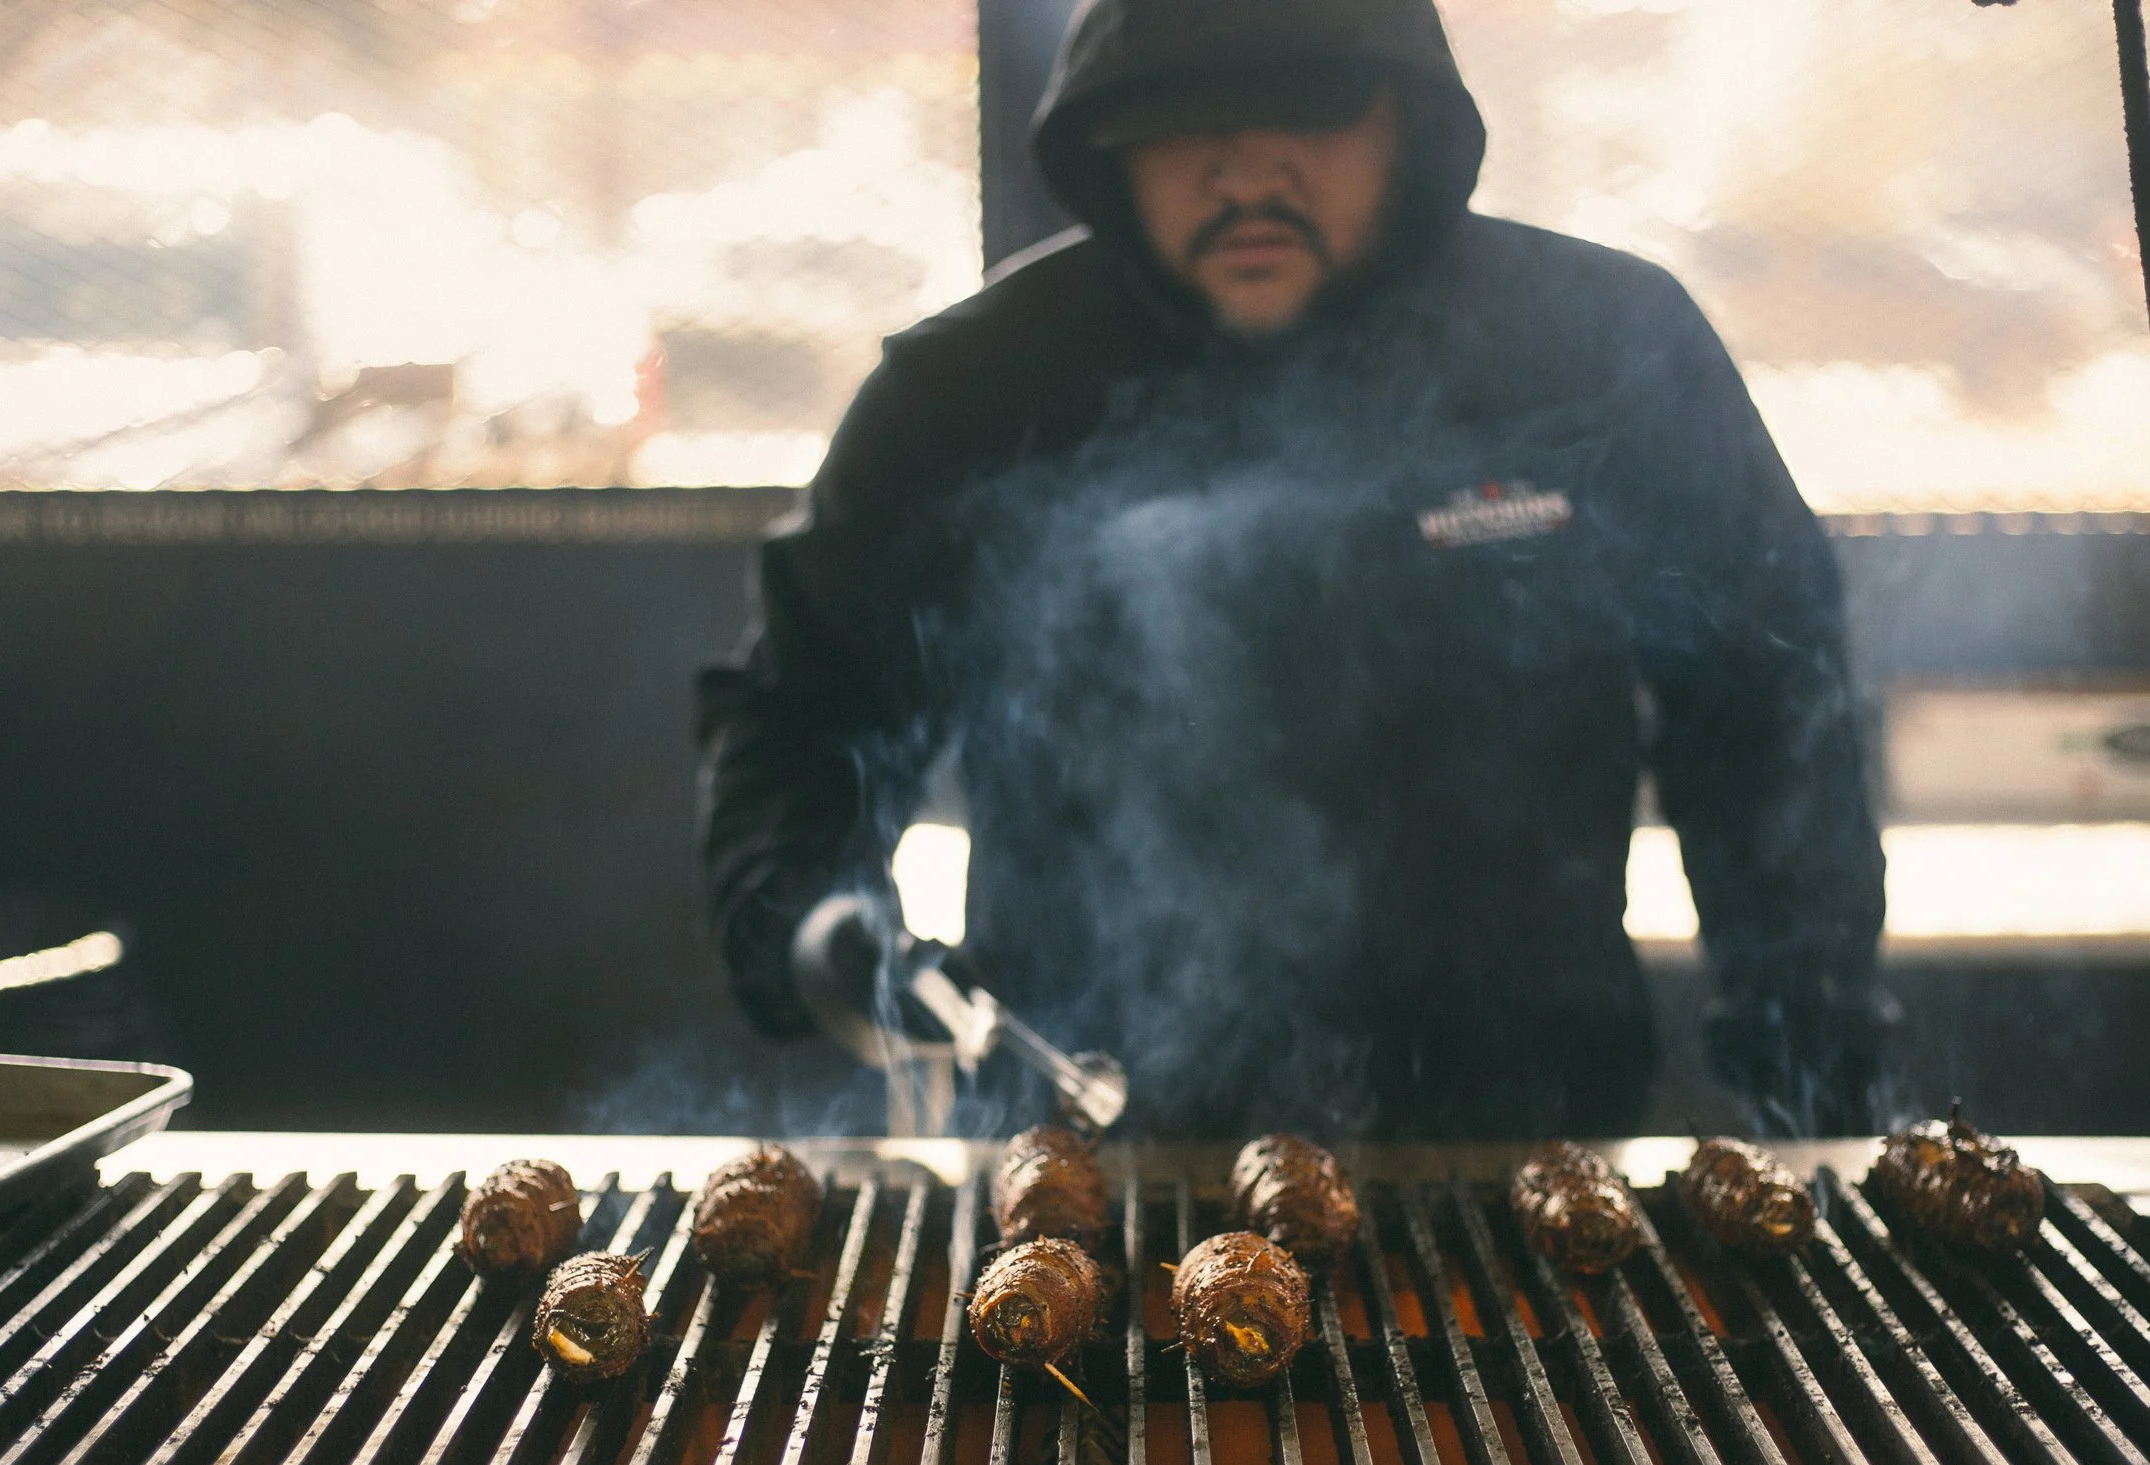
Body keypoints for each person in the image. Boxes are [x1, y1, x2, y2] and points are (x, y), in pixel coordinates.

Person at [699, 0, 1888, 1139]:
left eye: (1308, 106)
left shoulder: (1603, 348)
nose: (1243, 172)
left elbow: (1767, 712)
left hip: (1522, 1133)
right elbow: (801, 716)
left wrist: (1808, 1064)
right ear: (1105, 138)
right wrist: (811, 919)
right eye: (1178, 119)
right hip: (1085, 1145)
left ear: (1403, 117)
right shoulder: (968, 393)